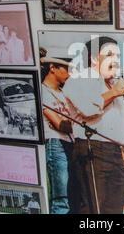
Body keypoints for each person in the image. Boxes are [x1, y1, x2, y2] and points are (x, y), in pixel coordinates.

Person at [62, 36, 124, 214]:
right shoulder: (80, 78)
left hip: (114, 152)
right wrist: (114, 92)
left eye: (118, 56)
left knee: (114, 208)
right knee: (93, 208)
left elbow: (121, 124)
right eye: (110, 54)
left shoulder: (110, 85)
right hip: (91, 149)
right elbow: (88, 109)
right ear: (95, 58)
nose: (116, 60)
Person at [41, 55, 75, 214]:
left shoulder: (65, 93)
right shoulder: (42, 91)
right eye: (66, 69)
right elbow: (59, 124)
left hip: (71, 144)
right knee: (61, 197)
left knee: (72, 195)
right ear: (52, 68)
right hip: (55, 143)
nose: (69, 73)